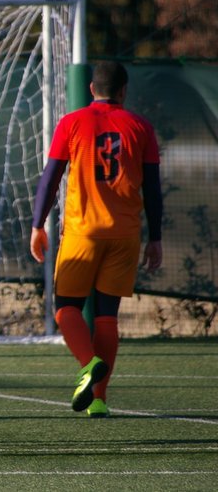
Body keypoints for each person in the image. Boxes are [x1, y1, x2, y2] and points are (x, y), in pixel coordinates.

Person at [30, 61, 163, 418]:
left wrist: (37, 224)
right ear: (123, 91)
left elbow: (51, 177)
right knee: (106, 316)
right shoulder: (141, 127)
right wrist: (157, 238)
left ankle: (89, 365)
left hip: (82, 232)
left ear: (91, 90)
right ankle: (100, 401)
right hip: (124, 235)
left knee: (67, 308)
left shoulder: (72, 123)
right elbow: (152, 188)